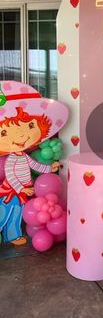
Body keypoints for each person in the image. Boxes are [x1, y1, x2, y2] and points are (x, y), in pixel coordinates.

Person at [0, 81, 68, 245]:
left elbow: (34, 165)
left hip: (22, 191)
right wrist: (21, 188)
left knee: (17, 214)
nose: (21, 136)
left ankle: (12, 236)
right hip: (11, 191)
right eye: (5, 131)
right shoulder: (11, 159)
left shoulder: (22, 155)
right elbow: (10, 175)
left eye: (30, 126)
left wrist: (49, 168)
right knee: (4, 213)